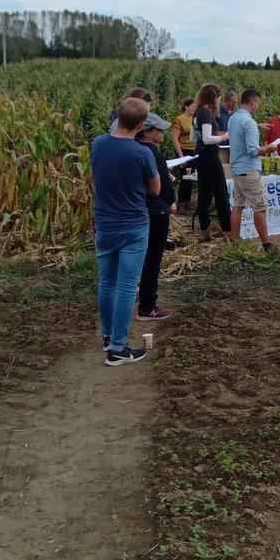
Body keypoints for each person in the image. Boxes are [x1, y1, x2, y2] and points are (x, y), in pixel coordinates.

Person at [90, 97, 160, 365]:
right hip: (132, 224)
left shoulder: (98, 143)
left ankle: (108, 336)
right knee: (127, 287)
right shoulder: (142, 153)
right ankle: (118, 348)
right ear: (141, 125)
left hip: (105, 223)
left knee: (107, 282)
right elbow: (154, 190)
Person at [229, 89, 280, 251]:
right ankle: (267, 244)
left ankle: (236, 241)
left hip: (237, 169)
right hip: (249, 169)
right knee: (259, 207)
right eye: (257, 102)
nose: (258, 106)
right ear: (252, 102)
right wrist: (270, 147)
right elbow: (253, 150)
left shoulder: (233, 118)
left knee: (237, 206)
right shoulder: (249, 122)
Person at [136, 112, 176, 320]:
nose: (162, 133)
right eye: (158, 130)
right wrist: (171, 200)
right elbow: (164, 187)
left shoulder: (133, 150)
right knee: (153, 258)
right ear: (147, 132)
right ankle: (147, 306)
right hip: (156, 210)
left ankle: (137, 295)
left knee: (140, 256)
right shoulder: (154, 154)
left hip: (138, 210)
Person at [193, 83, 231, 241]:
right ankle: (228, 231)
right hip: (210, 154)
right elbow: (208, 139)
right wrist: (224, 137)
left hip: (199, 155)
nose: (220, 100)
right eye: (219, 96)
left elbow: (192, 138)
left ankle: (204, 229)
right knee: (221, 192)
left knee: (203, 192)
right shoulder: (207, 113)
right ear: (213, 98)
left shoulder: (197, 113)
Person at [170, 97, 197, 212]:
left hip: (194, 151)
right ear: (186, 106)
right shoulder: (179, 120)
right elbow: (174, 138)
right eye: (192, 106)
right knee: (185, 177)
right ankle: (181, 202)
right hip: (184, 150)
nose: (194, 109)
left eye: (196, 107)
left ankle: (187, 201)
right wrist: (181, 156)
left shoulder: (195, 120)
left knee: (191, 177)